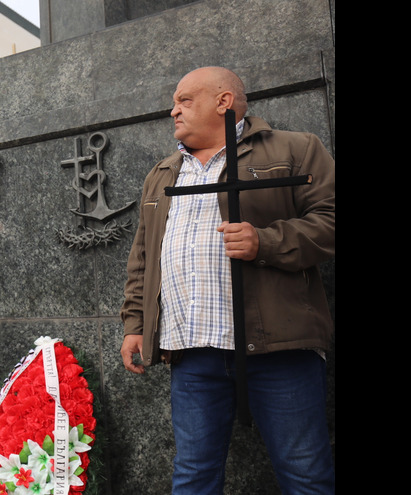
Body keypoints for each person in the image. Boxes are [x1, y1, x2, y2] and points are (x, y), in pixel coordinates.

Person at [119, 67, 335, 493]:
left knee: (305, 474)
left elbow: (331, 219)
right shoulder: (163, 173)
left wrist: (266, 241)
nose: (173, 109)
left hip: (278, 349)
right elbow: (144, 257)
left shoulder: (294, 149)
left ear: (224, 102)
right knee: (193, 476)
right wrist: (135, 325)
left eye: (184, 100)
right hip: (191, 353)